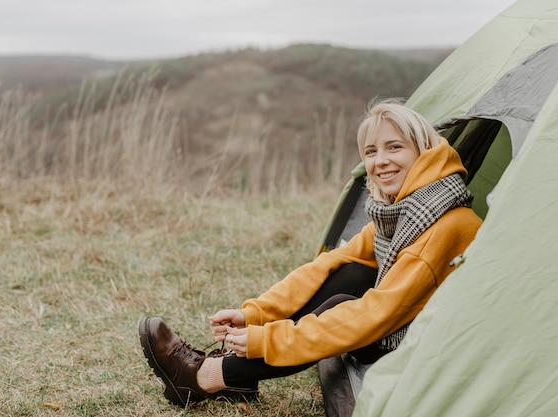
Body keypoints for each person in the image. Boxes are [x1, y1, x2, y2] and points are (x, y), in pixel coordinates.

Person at [138, 99, 483, 411]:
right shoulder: (408, 207)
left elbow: (377, 315)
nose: (381, 161)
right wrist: (256, 314)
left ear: (423, 150)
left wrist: (266, 341)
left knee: (340, 306)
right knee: (348, 271)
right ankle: (237, 375)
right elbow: (328, 266)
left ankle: (204, 377)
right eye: (371, 151)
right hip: (409, 319)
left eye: (395, 147)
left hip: (431, 345)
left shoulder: (442, 225)